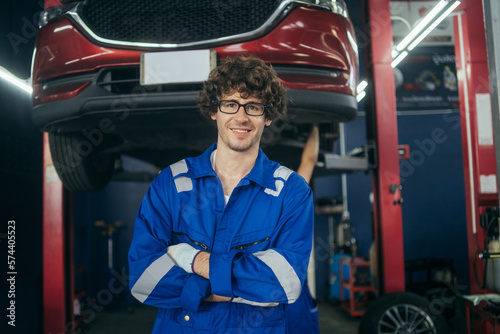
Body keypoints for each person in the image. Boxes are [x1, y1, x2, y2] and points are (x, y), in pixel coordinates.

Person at [128, 54, 314, 333]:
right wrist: (243, 285)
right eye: (230, 104)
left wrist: (191, 260)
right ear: (214, 111)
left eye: (253, 106)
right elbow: (144, 278)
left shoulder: (292, 192)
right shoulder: (170, 183)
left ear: (268, 117)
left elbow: (284, 283)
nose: (241, 116)